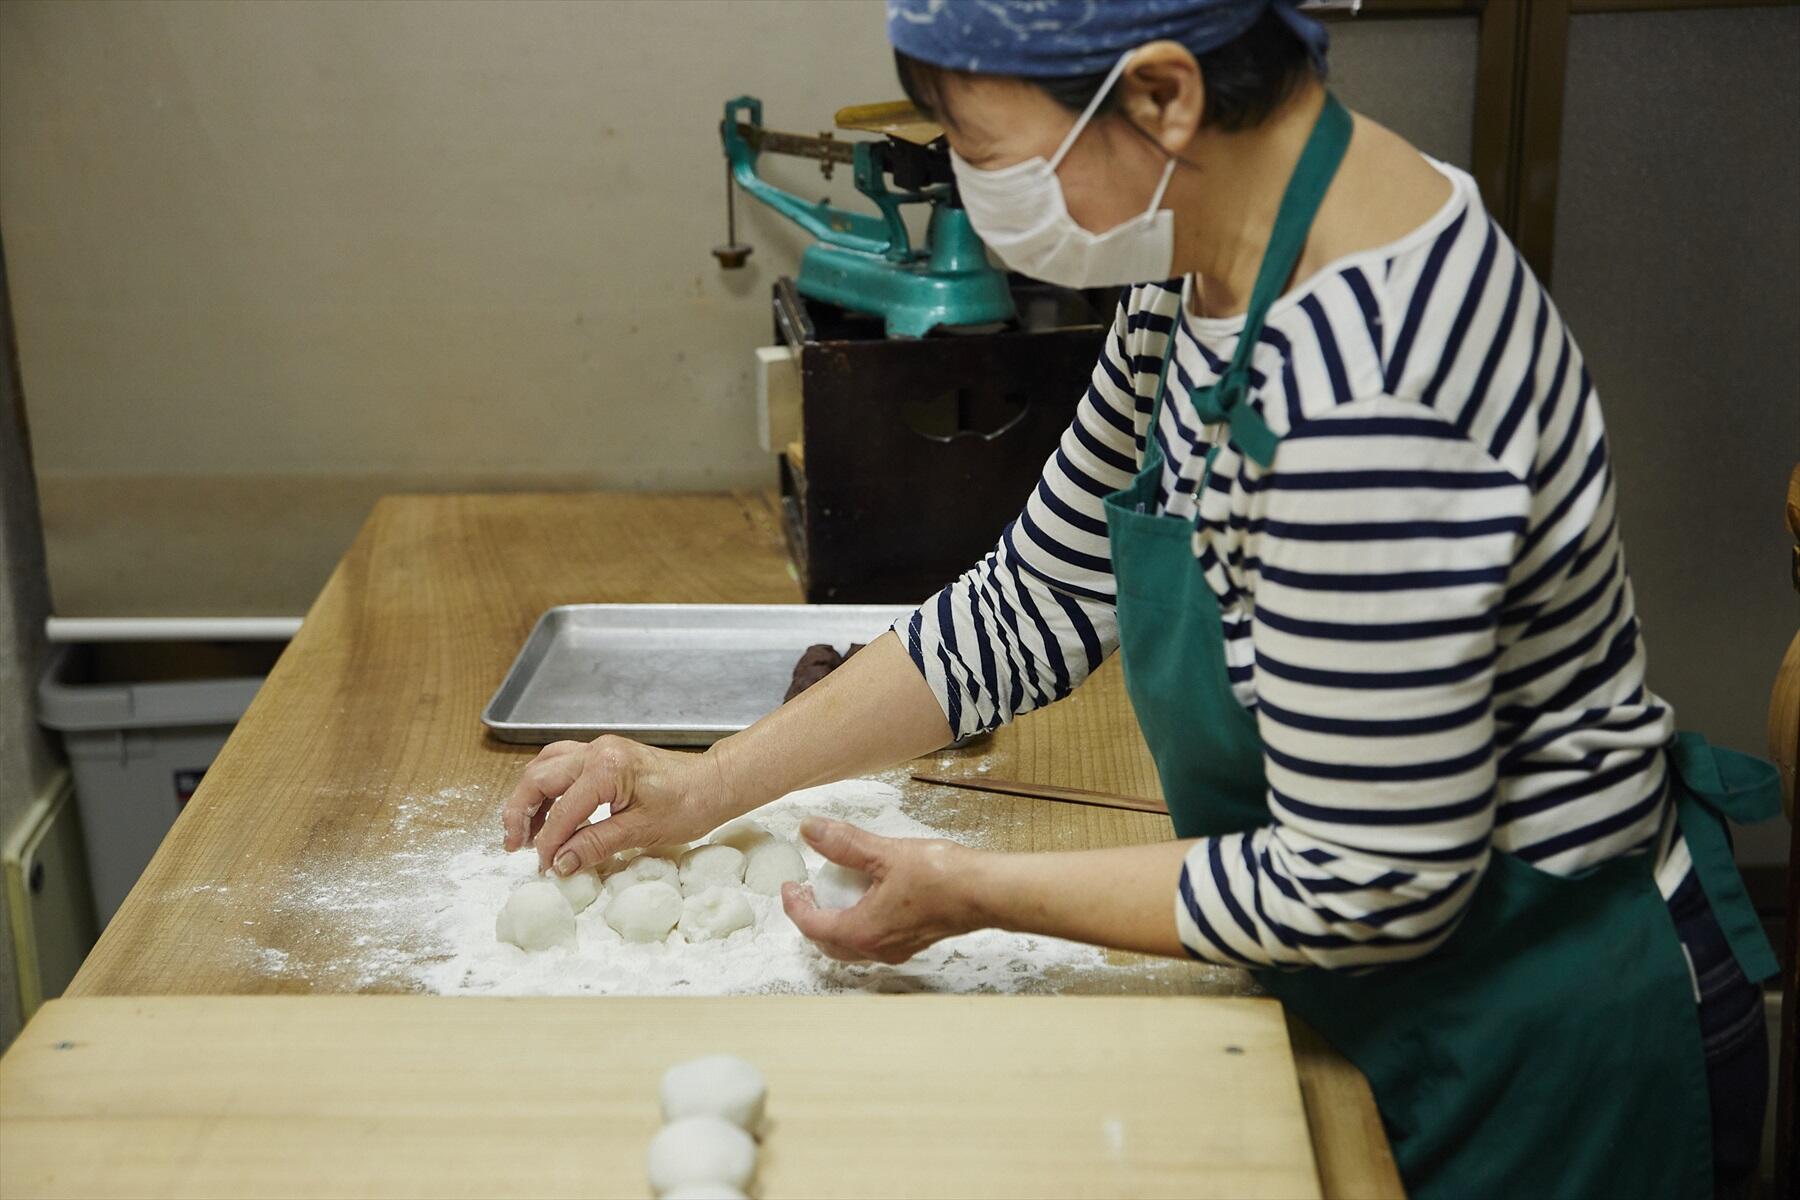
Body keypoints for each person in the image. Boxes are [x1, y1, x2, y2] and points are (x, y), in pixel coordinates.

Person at [503, 2, 1781, 1195]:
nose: (961, 174)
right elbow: (1041, 592)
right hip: (1361, 985)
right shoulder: (1202, 264)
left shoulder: (1376, 393)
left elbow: (1367, 879)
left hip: (1527, 1035)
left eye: (978, 141)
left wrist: (973, 890)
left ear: (1162, 96)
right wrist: (706, 783)